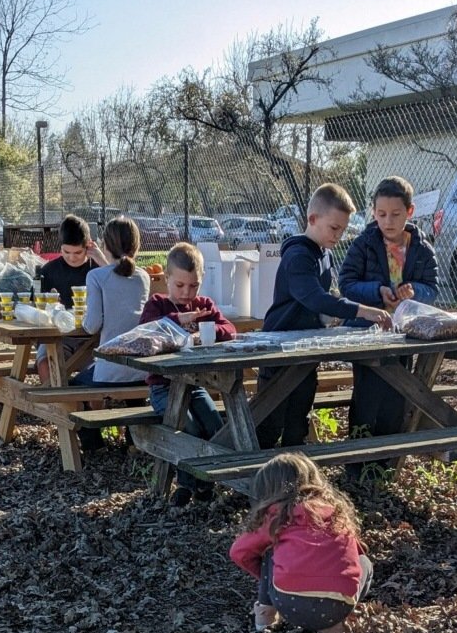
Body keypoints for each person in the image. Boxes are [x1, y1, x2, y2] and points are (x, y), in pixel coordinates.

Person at [256, 184, 392, 450]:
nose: (338, 235)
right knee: (269, 423)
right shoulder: (298, 255)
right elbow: (315, 297)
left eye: (342, 229)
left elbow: (327, 296)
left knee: (299, 419)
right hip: (279, 347)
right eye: (334, 228)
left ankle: (295, 480)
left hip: (304, 348)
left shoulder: (324, 252)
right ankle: (256, 481)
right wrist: (364, 310)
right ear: (313, 219)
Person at [338, 176, 438, 480]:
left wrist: (414, 292)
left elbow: (432, 289)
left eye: (395, 214)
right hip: (368, 335)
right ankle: (356, 468)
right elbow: (346, 283)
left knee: (396, 399)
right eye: (381, 214)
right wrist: (377, 291)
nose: (387, 221)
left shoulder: (421, 248)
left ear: (410, 212)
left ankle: (384, 469)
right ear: (373, 212)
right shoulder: (364, 243)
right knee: (367, 399)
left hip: (405, 334)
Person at [229, 452, 373, 633]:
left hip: (288, 603)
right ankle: (331, 629)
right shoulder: (336, 513)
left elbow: (238, 552)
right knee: (364, 562)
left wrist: (269, 576)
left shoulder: (277, 515)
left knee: (270, 551)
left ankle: (265, 615)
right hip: (336, 607)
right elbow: (353, 554)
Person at [139, 242, 236, 506]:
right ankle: (185, 485)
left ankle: (207, 483)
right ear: (167, 279)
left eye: (193, 286)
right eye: (180, 285)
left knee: (216, 426)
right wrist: (178, 320)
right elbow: (146, 330)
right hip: (163, 387)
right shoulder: (157, 305)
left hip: (197, 385)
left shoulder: (203, 305)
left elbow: (230, 328)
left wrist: (209, 330)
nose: (186, 292)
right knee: (188, 428)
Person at [69, 216, 151, 452]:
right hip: (140, 367)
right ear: (137, 246)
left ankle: (94, 444)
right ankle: (134, 442)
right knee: (130, 379)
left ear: (105, 244)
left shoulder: (96, 276)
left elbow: (92, 326)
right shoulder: (143, 277)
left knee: (74, 385)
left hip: (110, 370)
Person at [36, 215, 108, 385]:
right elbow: (38, 305)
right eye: (66, 252)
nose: (72, 257)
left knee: (98, 371)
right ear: (60, 248)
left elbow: (118, 286)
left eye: (78, 252)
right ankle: (54, 405)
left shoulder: (98, 269)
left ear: (88, 246)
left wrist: (101, 259)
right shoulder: (49, 270)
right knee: (45, 363)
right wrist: (50, 305)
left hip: (91, 338)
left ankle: (94, 408)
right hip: (58, 337)